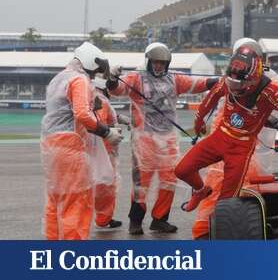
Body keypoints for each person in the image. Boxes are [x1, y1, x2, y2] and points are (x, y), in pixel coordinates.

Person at [187, 38, 278, 239]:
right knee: (218, 185)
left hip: (252, 146)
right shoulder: (231, 76)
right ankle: (203, 232)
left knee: (247, 191)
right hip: (227, 140)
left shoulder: (267, 77)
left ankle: (237, 231)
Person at [106, 42, 217, 235]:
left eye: (162, 63)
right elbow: (116, 91)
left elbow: (199, 83)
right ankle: (136, 222)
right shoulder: (136, 78)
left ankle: (159, 219)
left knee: (169, 181)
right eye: (155, 62)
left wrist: (221, 80)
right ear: (149, 61)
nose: (158, 66)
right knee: (141, 184)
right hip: (144, 141)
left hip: (168, 142)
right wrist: (112, 79)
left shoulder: (175, 79)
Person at [41, 42, 123, 240]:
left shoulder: (59, 79)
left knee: (55, 198)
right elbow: (82, 115)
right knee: (77, 201)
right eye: (94, 73)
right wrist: (106, 133)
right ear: (89, 64)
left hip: (51, 146)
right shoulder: (79, 79)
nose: (93, 77)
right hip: (71, 146)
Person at [91, 79, 131, 229]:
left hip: (101, 149)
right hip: (105, 150)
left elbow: (106, 116)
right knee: (106, 186)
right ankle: (103, 218)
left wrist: (120, 119)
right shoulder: (101, 99)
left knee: (105, 185)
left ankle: (105, 217)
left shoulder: (96, 97)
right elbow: (98, 121)